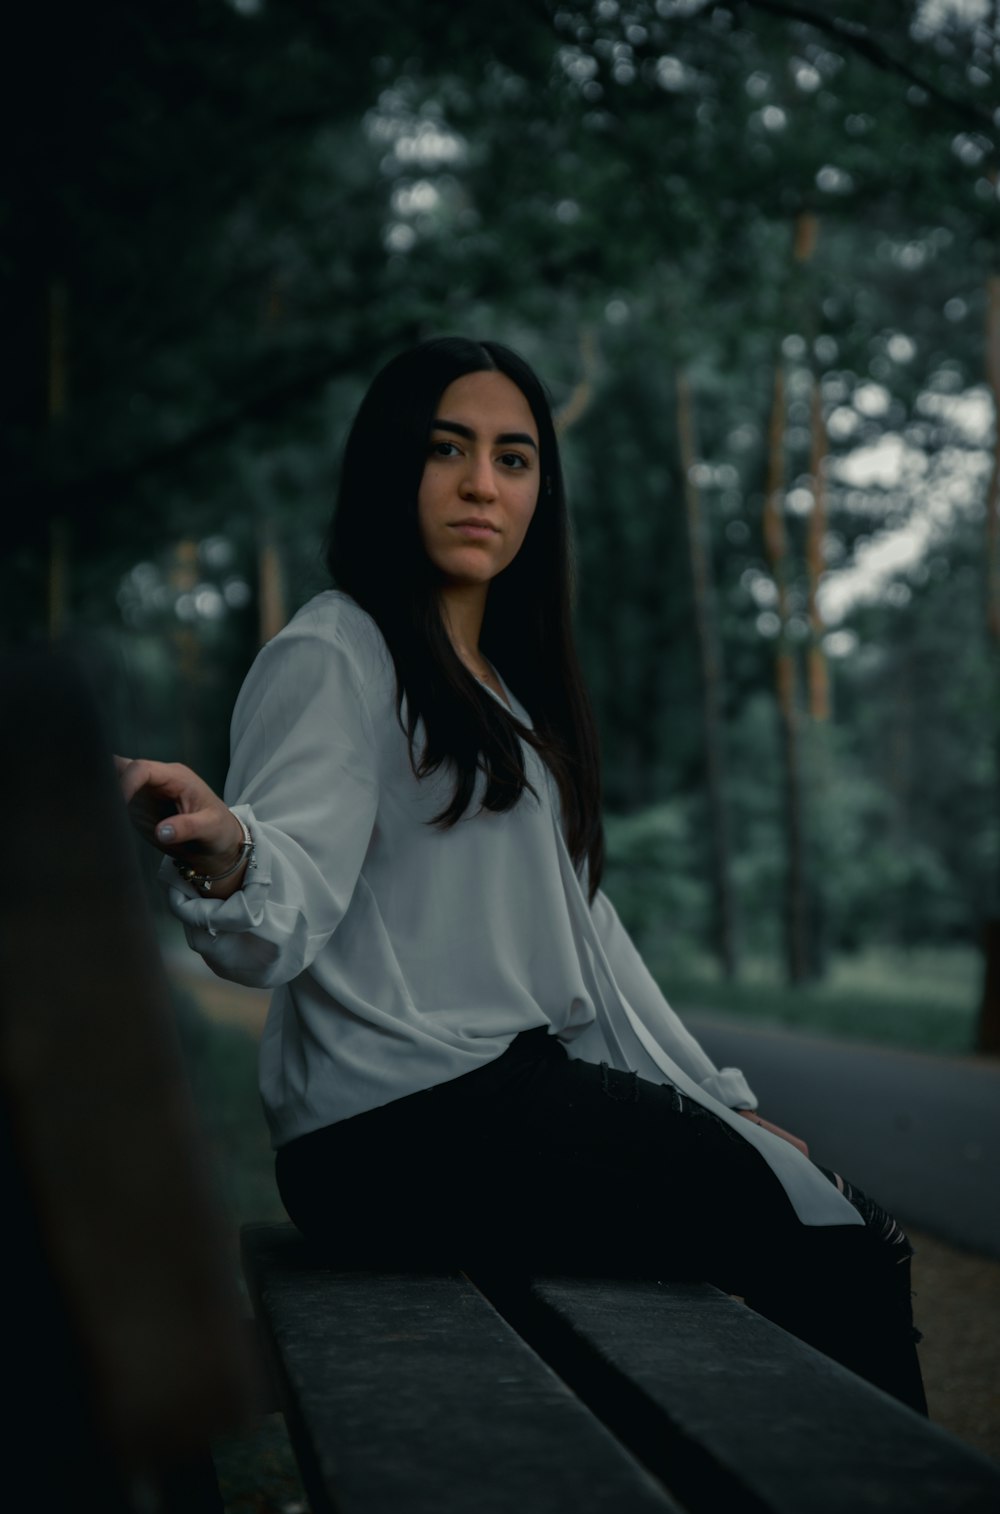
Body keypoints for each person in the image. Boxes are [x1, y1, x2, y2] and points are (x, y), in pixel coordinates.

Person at [118, 336, 927, 1415]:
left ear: (542, 489)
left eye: (514, 458)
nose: (480, 485)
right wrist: (231, 850)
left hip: (475, 1115)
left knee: (815, 1230)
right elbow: (286, 894)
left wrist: (714, 1106)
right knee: (844, 1239)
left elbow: (588, 944)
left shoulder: (501, 692)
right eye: (447, 449)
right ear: (389, 467)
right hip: (407, 1126)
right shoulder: (338, 647)